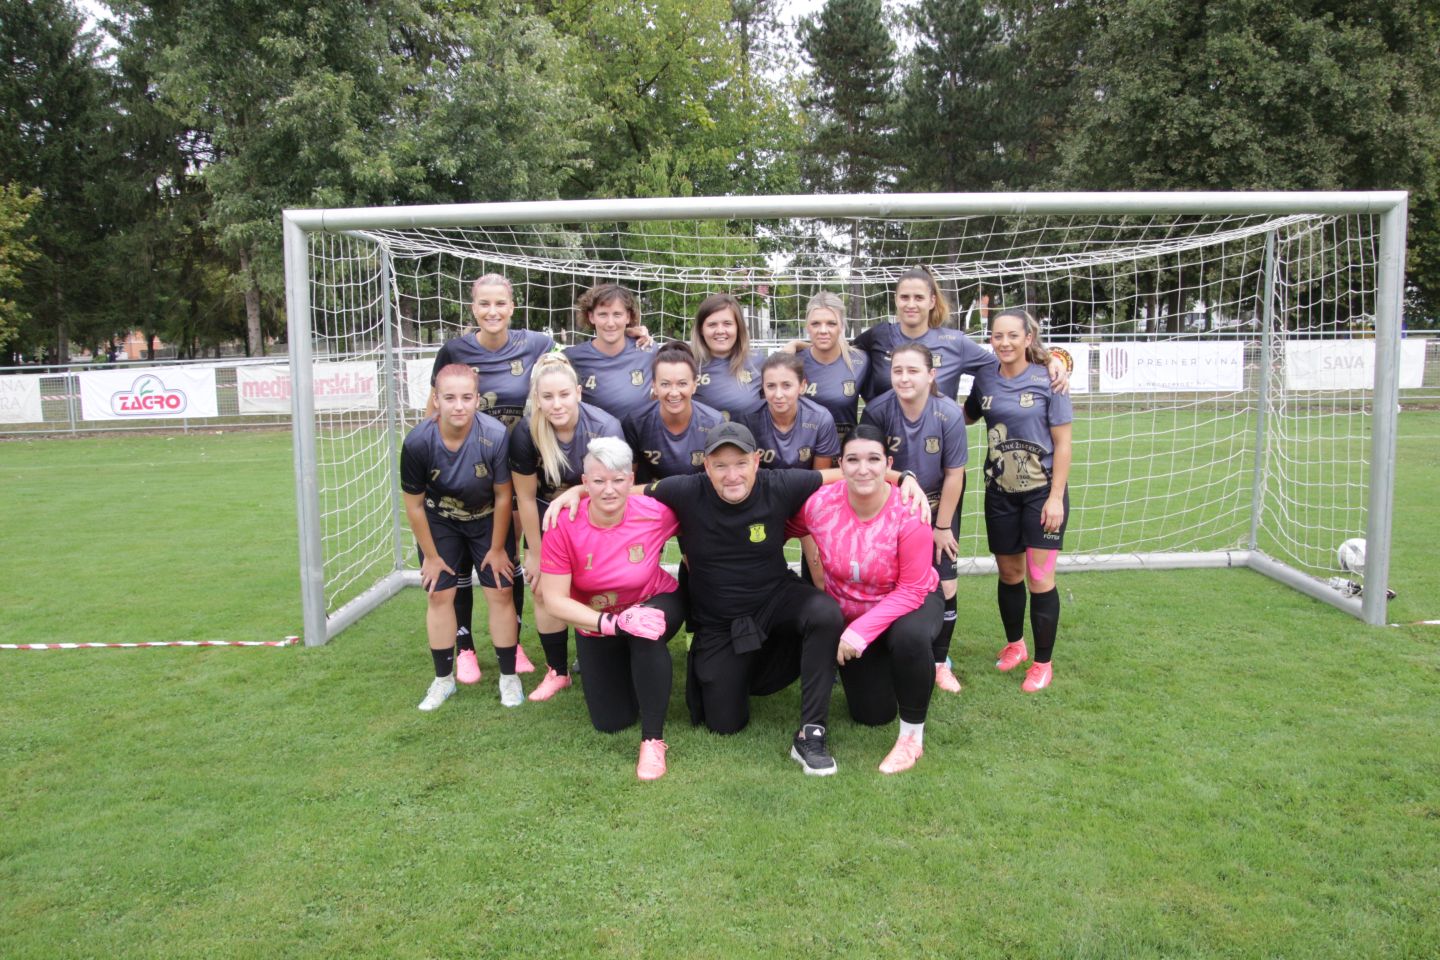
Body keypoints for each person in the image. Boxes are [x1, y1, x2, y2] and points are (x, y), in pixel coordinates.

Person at [548, 421, 931, 777]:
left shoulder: (780, 483)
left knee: (823, 612)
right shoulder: (684, 490)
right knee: (724, 723)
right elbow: (623, 489)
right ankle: (733, 671)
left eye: (741, 463)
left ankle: (811, 733)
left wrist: (903, 478)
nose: (732, 475)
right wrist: (579, 490)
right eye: (720, 465)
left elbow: (844, 472)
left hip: (775, 599)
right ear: (706, 467)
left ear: (756, 461)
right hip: (720, 619)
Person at [788, 424, 943, 774]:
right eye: (853, 460)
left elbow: (913, 589)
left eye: (873, 459)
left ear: (887, 464)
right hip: (853, 615)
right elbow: (778, 527)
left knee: (910, 637)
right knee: (872, 715)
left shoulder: (910, 510)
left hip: (910, 603)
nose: (863, 469)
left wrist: (858, 632)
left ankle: (911, 738)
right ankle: (895, 668)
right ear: (840, 465)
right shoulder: (819, 505)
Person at [536, 438, 688, 780]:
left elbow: (702, 505)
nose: (609, 489)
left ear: (631, 480)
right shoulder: (562, 523)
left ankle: (652, 740)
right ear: (584, 483)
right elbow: (555, 600)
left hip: (655, 599)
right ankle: (631, 668)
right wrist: (613, 624)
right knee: (611, 722)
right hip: (599, 621)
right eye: (598, 481)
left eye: (618, 480)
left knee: (646, 628)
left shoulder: (655, 512)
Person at [427, 273, 548, 677]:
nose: (492, 311)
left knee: (506, 560)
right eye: (484, 304)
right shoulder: (454, 350)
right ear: (473, 308)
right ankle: (464, 647)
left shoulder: (537, 344)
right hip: (466, 471)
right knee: (459, 560)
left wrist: (637, 336)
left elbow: (575, 364)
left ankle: (513, 644)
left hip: (517, 470)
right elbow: (435, 407)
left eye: (500, 303)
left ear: (512, 307)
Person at [963, 308, 1073, 693]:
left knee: (1040, 579)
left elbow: (1063, 444)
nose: (1005, 342)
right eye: (998, 336)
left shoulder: (1050, 379)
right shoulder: (984, 378)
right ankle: (1016, 645)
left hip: (1042, 494)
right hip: (999, 492)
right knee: (1010, 574)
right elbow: (966, 416)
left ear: (1028, 338)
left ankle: (1043, 663)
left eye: (1013, 335)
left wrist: (1056, 498)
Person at [401, 363, 522, 711]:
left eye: (466, 397)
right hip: (441, 522)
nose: (458, 405)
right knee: (439, 594)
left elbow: (503, 496)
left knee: (501, 591)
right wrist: (431, 557)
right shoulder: (418, 442)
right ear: (436, 399)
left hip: (487, 519)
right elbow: (414, 505)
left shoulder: (495, 435)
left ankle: (508, 677)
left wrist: (497, 548)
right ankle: (443, 680)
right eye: (450, 397)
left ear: (477, 399)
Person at [509, 355, 623, 701]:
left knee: (602, 587)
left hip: (596, 515)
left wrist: (577, 492)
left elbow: (615, 487)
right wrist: (535, 552)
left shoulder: (605, 426)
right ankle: (557, 671)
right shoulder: (526, 432)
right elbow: (525, 497)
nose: (556, 404)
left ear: (578, 393)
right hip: (548, 519)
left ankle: (606, 657)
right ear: (537, 398)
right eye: (547, 397)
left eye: (563, 394)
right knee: (543, 591)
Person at [859, 341, 969, 695]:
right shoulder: (878, 410)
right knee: (889, 581)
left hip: (937, 510)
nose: (904, 378)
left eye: (913, 371)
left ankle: (939, 663)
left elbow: (955, 474)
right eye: (897, 371)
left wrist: (942, 527)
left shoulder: (948, 413)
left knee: (946, 584)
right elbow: (868, 462)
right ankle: (885, 650)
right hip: (890, 511)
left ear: (931, 375)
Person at [855, 267, 1070, 402]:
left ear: (931, 301)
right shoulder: (878, 335)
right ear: (896, 299)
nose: (911, 304)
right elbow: (844, 356)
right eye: (904, 297)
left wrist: (1049, 360)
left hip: (937, 451)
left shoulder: (954, 342)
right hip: (881, 449)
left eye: (919, 298)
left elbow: (1005, 362)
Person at [745, 351, 841, 584]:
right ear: (763, 387)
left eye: (786, 385)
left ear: (802, 386)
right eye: (771, 386)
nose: (778, 394)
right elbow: (746, 475)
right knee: (757, 571)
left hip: (806, 500)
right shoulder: (748, 418)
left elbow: (819, 479)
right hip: (764, 503)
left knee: (821, 575)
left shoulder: (820, 418)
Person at [622, 342, 725, 483]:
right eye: (665, 384)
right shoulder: (636, 423)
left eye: (682, 383)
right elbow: (627, 482)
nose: (674, 392)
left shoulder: (715, 422)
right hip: (648, 495)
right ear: (654, 386)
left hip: (698, 495)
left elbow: (720, 479)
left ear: (694, 385)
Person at [563, 283, 657, 421]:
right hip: (595, 435)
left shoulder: (647, 350)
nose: (610, 323)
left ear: (628, 317)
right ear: (591, 317)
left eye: (617, 314)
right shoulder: (571, 358)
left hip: (642, 434)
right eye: (603, 314)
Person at [787, 291, 869, 442]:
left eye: (831, 323)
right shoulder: (792, 362)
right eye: (816, 324)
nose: (823, 330)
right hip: (802, 450)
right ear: (807, 326)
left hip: (843, 450)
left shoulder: (861, 361)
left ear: (841, 326)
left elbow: (876, 406)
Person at [689, 293, 766, 420]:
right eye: (712, 324)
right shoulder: (688, 363)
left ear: (738, 327)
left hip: (748, 433)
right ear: (701, 329)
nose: (720, 331)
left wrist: (797, 346)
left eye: (727, 323)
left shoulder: (756, 360)